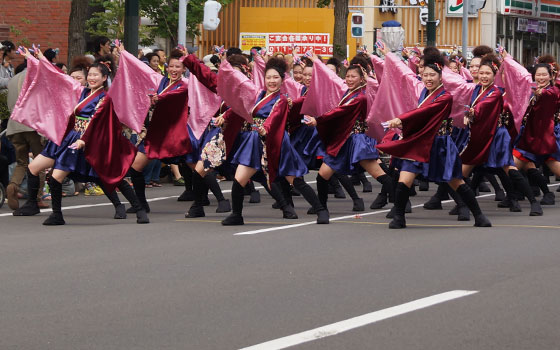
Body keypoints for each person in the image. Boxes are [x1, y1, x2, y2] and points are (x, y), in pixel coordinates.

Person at [13, 49, 149, 225]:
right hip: (73, 138)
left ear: (104, 78)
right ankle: (56, 215)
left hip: (91, 141)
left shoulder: (105, 99)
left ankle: (139, 209)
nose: (92, 78)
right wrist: (38, 58)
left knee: (110, 176)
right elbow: (60, 78)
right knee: (56, 177)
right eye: (90, 74)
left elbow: (95, 120)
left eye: (96, 75)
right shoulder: (83, 92)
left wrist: (83, 140)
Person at [376, 47, 492, 229]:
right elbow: (417, 107)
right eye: (425, 75)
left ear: (440, 77)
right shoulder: (423, 92)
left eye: (432, 75)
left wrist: (401, 119)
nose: (428, 78)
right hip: (420, 142)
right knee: (404, 178)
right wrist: (388, 55)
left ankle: (478, 215)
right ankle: (399, 217)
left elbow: (424, 112)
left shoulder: (445, 97)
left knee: (455, 181)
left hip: (440, 144)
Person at [218, 57, 329, 225]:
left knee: (295, 180)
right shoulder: (258, 95)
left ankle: (321, 210)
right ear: (264, 79)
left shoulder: (282, 100)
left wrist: (265, 129)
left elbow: (275, 117)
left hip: (277, 142)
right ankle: (237, 215)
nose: (271, 81)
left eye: (275, 77)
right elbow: (240, 106)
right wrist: (224, 115)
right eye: (268, 77)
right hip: (255, 142)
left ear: (282, 80)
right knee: (239, 179)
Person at [303, 56, 393, 214]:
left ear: (361, 79)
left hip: (358, 140)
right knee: (323, 174)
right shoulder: (347, 92)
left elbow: (339, 112)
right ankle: (321, 206)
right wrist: (317, 61)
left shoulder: (361, 97)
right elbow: (331, 78)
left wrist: (318, 120)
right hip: (343, 141)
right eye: (348, 76)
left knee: (378, 173)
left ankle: (401, 203)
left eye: (354, 77)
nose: (350, 79)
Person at [5, 56, 49, 211]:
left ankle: (13, 185)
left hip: (14, 126)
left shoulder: (12, 80)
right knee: (40, 161)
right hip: (32, 125)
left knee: (22, 162)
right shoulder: (37, 78)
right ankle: (37, 197)